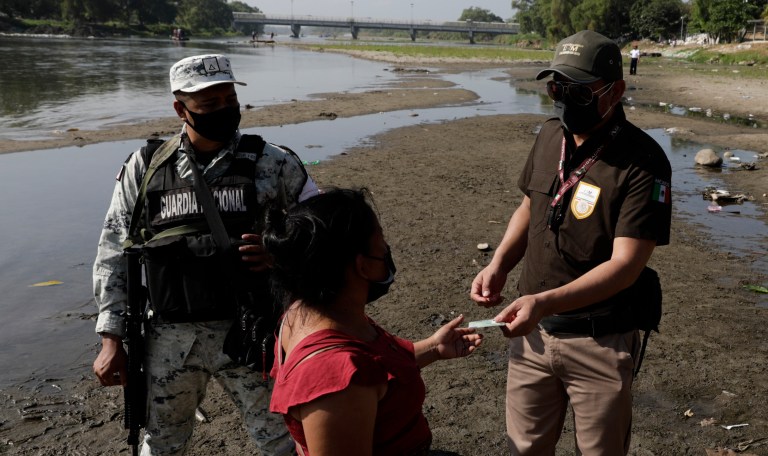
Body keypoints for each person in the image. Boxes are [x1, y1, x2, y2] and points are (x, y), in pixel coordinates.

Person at [92, 54, 319, 455]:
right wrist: (110, 338)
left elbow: (322, 231)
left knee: (282, 439)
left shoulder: (273, 162)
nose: (224, 111)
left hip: (252, 335)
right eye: (209, 105)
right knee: (162, 443)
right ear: (181, 109)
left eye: (229, 100)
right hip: (169, 342)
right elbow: (114, 251)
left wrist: (279, 254)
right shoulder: (144, 168)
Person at [470, 30, 671, 455]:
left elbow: (626, 266)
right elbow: (530, 206)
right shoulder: (549, 136)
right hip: (532, 335)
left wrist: (545, 301)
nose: (562, 99)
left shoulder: (643, 161)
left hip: (600, 341)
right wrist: (501, 263)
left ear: (614, 91)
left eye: (577, 91)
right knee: (523, 448)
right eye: (555, 87)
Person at [263, 188, 483, 456]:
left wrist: (433, 348)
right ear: (362, 266)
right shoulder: (334, 380)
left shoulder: (306, 312)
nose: (386, 251)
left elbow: (375, 371)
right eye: (381, 244)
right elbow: (352, 376)